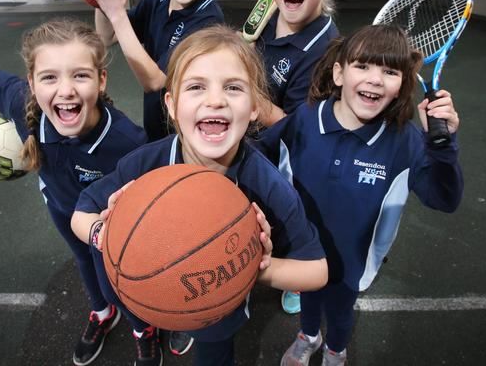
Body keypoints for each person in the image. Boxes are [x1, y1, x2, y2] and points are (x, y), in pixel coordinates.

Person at [71, 25, 328, 366]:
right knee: (149, 300)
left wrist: (253, 267)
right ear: (173, 105)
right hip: (149, 291)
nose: (215, 100)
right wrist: (105, 233)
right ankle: (161, 323)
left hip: (219, 312)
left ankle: (186, 322)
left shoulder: (266, 184)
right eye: (196, 87)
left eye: (233, 88)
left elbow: (316, 271)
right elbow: (81, 212)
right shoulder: (146, 163)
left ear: (254, 107)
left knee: (213, 354)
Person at [255, 24, 464, 366]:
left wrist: (443, 147)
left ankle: (336, 349)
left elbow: (445, 199)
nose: (375, 79)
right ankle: (308, 336)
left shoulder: (405, 141)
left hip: (355, 258)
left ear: (401, 86)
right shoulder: (306, 119)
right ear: (339, 73)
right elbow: (257, 156)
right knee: (309, 295)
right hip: (304, 248)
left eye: (390, 71)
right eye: (362, 66)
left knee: (340, 310)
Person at [0, 20, 148, 366]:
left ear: (101, 81)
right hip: (60, 207)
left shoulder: (127, 143)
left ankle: (143, 331)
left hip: (107, 223)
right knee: (84, 262)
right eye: (50, 77)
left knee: (118, 277)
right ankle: (102, 314)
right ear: (32, 83)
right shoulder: (23, 109)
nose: (65, 90)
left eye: (80, 76)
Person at [78, 0, 225, 144]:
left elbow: (155, 82)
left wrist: (116, 11)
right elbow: (106, 37)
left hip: (187, 138)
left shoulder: (209, 21)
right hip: (156, 127)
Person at [255, 0, 343, 128]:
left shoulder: (325, 52)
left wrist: (241, 90)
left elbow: (295, 126)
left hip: (270, 152)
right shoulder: (269, 14)